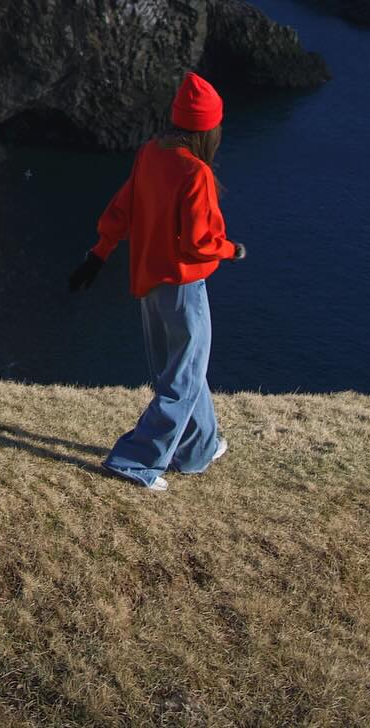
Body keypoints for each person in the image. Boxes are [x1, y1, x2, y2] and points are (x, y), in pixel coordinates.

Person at [67, 72, 246, 492]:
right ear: (209, 129)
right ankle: (135, 460)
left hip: (148, 284)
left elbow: (121, 208)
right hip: (183, 290)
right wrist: (230, 249)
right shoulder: (196, 172)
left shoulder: (150, 152)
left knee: (182, 369)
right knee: (182, 376)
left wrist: (99, 254)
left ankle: (199, 448)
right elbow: (201, 243)